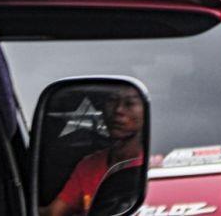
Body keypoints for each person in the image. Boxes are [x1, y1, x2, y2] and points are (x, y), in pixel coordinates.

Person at [41, 86, 146, 216]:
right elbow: (54, 212)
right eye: (112, 101)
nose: (118, 110)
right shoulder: (89, 165)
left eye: (129, 103)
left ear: (146, 113)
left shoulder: (152, 166)